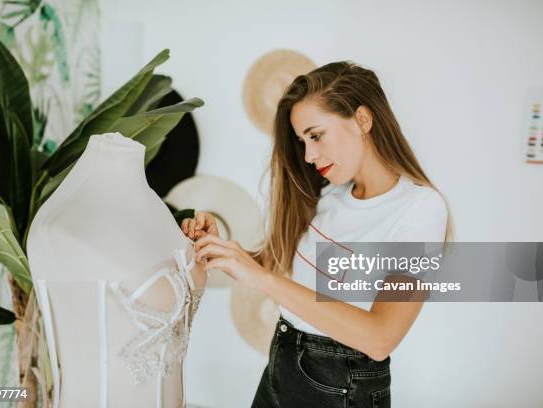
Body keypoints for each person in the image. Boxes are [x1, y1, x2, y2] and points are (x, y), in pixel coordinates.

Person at [181, 61, 452, 407]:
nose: (308, 155)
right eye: (302, 141)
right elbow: (285, 268)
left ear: (363, 120)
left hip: (341, 385)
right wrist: (225, 250)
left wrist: (260, 277)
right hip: (282, 363)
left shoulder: (419, 209)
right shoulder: (331, 194)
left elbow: (380, 338)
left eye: (316, 135)